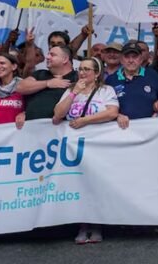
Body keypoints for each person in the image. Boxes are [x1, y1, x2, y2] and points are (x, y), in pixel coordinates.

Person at [52, 57, 119, 245]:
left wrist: (85, 120)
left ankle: (97, 223)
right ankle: (82, 224)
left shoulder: (106, 91)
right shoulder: (70, 90)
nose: (82, 73)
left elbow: (112, 112)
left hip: (98, 145)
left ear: (97, 74)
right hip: (74, 147)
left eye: (87, 69)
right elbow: (58, 114)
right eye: (80, 69)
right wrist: (74, 93)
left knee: (96, 184)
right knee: (78, 184)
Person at [16, 45, 78, 123]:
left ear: (65, 59)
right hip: (31, 129)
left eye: (52, 55)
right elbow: (20, 87)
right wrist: (47, 83)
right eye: (48, 54)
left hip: (62, 130)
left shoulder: (77, 77)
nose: (47, 57)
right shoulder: (40, 74)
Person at [105, 42, 158, 124]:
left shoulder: (152, 75)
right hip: (120, 128)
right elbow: (105, 107)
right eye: (127, 57)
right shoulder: (111, 79)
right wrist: (117, 115)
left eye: (134, 57)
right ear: (121, 60)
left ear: (141, 59)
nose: (131, 60)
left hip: (148, 127)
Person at [0, 53, 25, 127]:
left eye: (2, 63)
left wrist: (25, 113)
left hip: (18, 135)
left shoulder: (24, 88)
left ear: (14, 66)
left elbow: (35, 108)